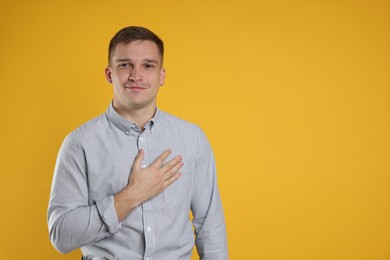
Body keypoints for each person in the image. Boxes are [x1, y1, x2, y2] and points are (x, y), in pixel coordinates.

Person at [48, 26, 228, 260]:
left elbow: (210, 225)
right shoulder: (79, 144)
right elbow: (61, 235)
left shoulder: (192, 139)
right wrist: (131, 196)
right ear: (109, 74)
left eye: (148, 65)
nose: (136, 75)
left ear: (161, 76)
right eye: (125, 65)